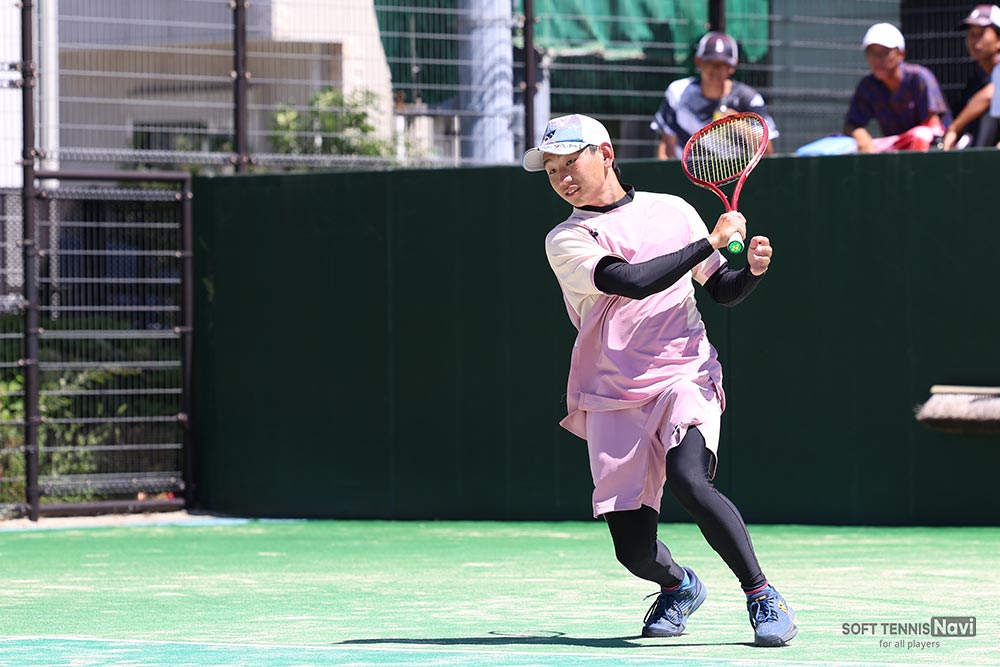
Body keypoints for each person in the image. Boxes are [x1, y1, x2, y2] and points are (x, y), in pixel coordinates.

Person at [522, 113, 797, 647]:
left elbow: (721, 288)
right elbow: (631, 280)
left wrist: (750, 272)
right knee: (634, 552)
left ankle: (762, 594)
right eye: (552, 170)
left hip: (684, 373)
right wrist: (710, 241)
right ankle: (678, 586)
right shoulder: (566, 238)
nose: (562, 178)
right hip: (611, 392)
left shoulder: (673, 210)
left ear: (605, 154)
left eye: (570, 162)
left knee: (691, 480)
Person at [650, 32, 778, 160]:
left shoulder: (750, 99)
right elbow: (666, 148)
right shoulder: (678, 92)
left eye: (723, 64)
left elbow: (767, 152)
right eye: (710, 62)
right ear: (698, 62)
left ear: (732, 66)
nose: (716, 70)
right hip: (682, 171)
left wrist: (739, 124)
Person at [844, 23, 952, 152]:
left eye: (884, 52)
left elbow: (934, 126)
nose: (877, 59)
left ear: (901, 54)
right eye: (872, 53)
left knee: (921, 135)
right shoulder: (868, 85)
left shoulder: (920, 77)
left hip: (932, 150)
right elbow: (851, 124)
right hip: (894, 149)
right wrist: (861, 136)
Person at [943, 5, 1000, 150]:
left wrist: (954, 128)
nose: (974, 40)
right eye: (971, 34)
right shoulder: (976, 81)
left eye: (980, 33)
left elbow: (991, 94)